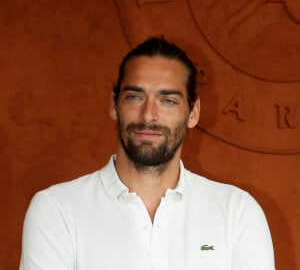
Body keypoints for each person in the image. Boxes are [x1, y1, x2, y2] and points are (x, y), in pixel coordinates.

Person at [19, 37, 275, 270]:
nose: (149, 115)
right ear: (114, 105)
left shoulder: (238, 213)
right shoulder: (57, 209)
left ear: (193, 113)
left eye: (168, 101)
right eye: (134, 97)